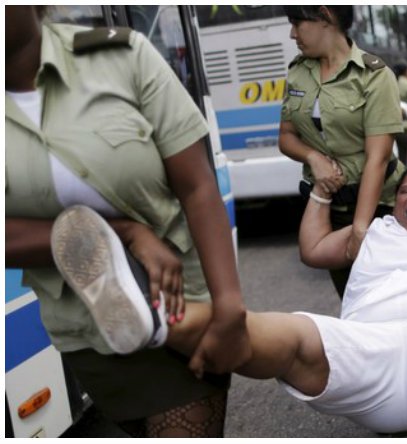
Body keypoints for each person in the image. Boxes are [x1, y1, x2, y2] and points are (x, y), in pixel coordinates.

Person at [48, 165, 407, 435]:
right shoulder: (372, 232)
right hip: (363, 349)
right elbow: (310, 248)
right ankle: (146, 321)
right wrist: (322, 191)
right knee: (293, 333)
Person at [5, 5, 250, 437]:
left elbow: (197, 184)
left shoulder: (122, 57)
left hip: (179, 310)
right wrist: (121, 233)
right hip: (84, 331)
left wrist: (229, 309)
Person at [277, 5, 405, 298]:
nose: (292, 33)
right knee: (352, 301)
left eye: (297, 22)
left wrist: (361, 228)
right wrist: (313, 158)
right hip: (328, 209)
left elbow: (378, 158)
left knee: (388, 301)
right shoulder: (298, 71)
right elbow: (286, 137)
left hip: (379, 208)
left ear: (325, 16)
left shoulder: (374, 75)